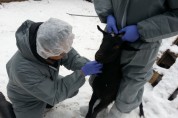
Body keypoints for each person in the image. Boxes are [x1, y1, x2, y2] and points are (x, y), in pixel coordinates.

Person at [93, 0, 178, 117]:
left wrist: (143, 29)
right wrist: (107, 14)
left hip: (144, 43)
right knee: (103, 71)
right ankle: (98, 109)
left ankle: (116, 113)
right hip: (112, 37)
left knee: (132, 82)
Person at [6, 18, 103, 118]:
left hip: (45, 82)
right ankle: (5, 110)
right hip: (27, 99)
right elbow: (55, 94)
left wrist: (89, 65)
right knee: (62, 91)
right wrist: (82, 73)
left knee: (72, 89)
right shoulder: (22, 70)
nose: (65, 53)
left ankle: (46, 100)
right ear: (47, 51)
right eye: (61, 53)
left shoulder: (53, 42)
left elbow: (72, 58)